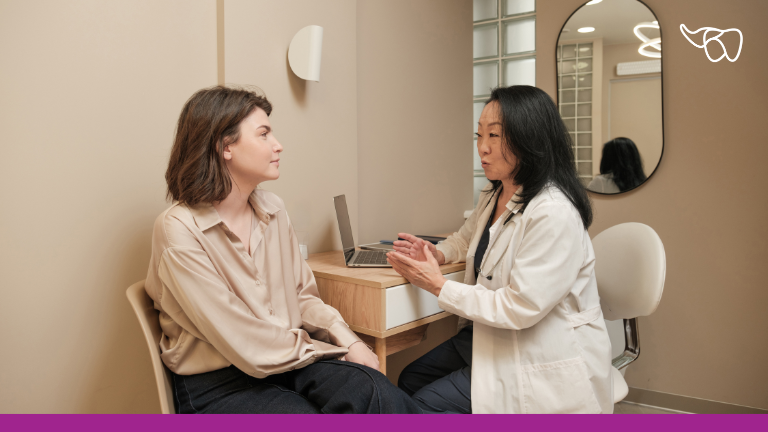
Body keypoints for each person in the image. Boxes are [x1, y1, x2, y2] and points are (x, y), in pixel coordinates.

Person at [144, 86, 421, 414]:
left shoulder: (273, 209)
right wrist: (324, 350)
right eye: (264, 134)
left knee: (374, 390)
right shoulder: (178, 228)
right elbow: (245, 342)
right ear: (224, 146)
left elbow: (302, 298)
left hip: (288, 361)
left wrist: (350, 341)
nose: (278, 145)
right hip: (220, 381)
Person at [387, 86, 613, 414]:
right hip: (492, 335)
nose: (482, 148)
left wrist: (437, 284)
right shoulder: (495, 193)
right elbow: (466, 239)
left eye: (495, 135)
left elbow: (519, 307)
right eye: (479, 135)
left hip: (538, 351)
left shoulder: (553, 211)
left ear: (529, 138)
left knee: (423, 403)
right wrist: (437, 254)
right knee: (410, 379)